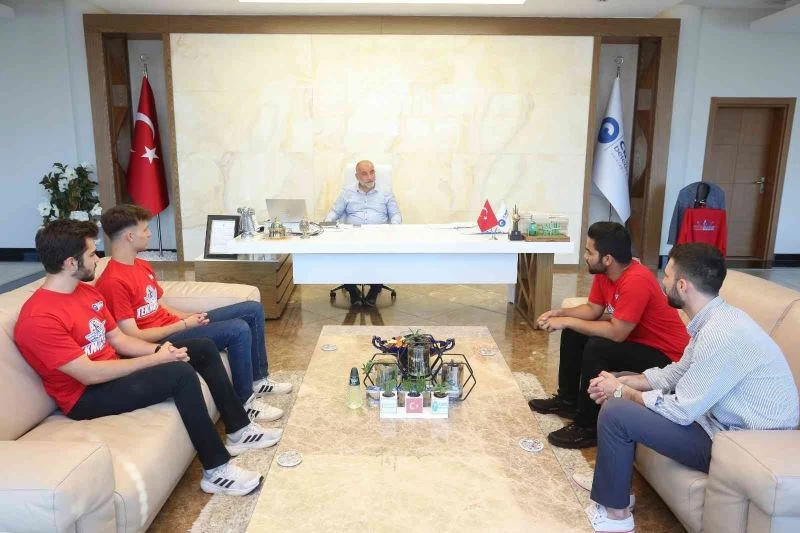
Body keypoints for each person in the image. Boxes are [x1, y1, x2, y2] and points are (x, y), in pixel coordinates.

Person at [14, 220, 282, 496]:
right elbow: (88, 374)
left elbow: (119, 340)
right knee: (180, 375)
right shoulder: (39, 318)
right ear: (71, 263)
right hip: (85, 396)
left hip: (112, 371)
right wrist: (156, 360)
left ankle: (239, 429)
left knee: (202, 347)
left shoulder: (86, 292)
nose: (98, 259)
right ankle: (216, 470)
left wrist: (161, 351)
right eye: (92, 253)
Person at [581, 243, 799, 533]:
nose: (663, 282)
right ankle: (615, 488)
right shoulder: (715, 319)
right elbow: (679, 371)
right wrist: (627, 381)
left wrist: (622, 392)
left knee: (617, 412)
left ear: (683, 285)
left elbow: (682, 410)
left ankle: (616, 517)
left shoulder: (721, 334)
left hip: (739, 443)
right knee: (621, 379)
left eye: (667, 276)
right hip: (715, 421)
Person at [95, 205, 291, 423]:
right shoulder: (112, 281)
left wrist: (191, 317)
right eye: (145, 229)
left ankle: (258, 379)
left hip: (177, 326)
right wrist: (185, 325)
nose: (149, 234)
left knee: (252, 310)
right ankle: (246, 403)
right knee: (237, 329)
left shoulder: (141, 265)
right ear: (130, 236)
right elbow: (133, 336)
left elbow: (160, 306)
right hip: (160, 341)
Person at [529, 222, 690, 449]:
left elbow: (617, 333)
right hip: (639, 340)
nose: (585, 256)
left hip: (668, 356)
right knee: (574, 332)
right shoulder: (605, 273)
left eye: (589, 252)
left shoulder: (637, 280)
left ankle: (588, 426)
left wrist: (567, 321)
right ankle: (567, 400)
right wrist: (561, 314)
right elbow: (593, 310)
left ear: (607, 259)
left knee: (598, 347)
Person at [324, 160, 402, 307]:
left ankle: (374, 291)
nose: (370, 177)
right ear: (357, 176)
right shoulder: (347, 192)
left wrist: (393, 228)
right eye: (365, 174)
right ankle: (353, 291)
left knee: (380, 257)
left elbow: (395, 214)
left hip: (379, 235)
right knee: (342, 256)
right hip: (352, 235)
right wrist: (327, 223)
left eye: (372, 172)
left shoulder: (386, 192)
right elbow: (335, 212)